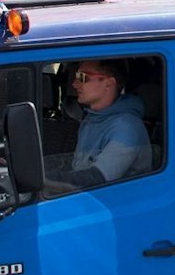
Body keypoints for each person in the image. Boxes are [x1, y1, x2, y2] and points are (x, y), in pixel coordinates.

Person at [59, 58, 151, 186]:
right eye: (76, 76)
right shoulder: (91, 119)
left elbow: (97, 178)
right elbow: (78, 166)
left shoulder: (127, 127)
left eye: (83, 77)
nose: (75, 83)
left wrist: (45, 181)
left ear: (108, 83)